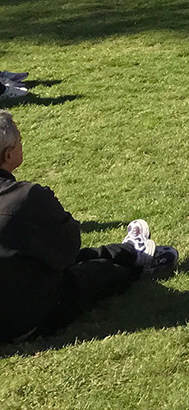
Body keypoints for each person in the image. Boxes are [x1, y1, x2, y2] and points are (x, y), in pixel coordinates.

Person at [0, 111, 178, 343]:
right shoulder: (25, 198)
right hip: (23, 321)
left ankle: (132, 250)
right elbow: (69, 248)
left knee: (43, 255)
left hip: (16, 287)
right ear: (9, 154)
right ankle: (140, 266)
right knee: (93, 273)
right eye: (20, 141)